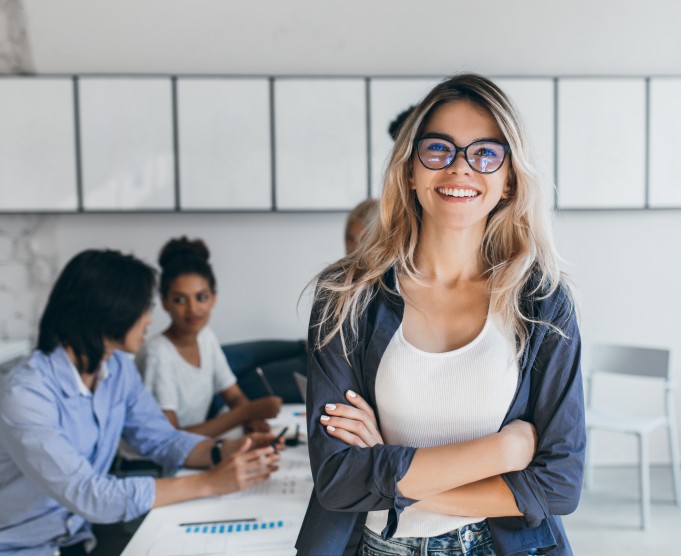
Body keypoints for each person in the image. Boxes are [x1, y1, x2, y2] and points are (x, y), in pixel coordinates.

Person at [298, 74, 584, 555]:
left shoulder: (542, 302)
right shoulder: (347, 296)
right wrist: (504, 451)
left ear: (509, 179)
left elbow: (560, 483)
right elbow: (338, 481)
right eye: (439, 150)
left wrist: (387, 471)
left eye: (486, 153)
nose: (460, 169)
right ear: (410, 169)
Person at [0, 249, 281, 556]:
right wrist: (211, 482)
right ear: (108, 311)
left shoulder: (117, 367)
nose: (149, 318)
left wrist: (224, 451)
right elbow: (90, 495)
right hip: (19, 546)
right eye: (143, 307)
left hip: (77, 538)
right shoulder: (26, 393)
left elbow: (160, 438)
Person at [137, 237, 283, 437]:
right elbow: (169, 439)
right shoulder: (157, 354)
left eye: (201, 297)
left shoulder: (206, 338)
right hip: (157, 464)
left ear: (214, 298)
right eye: (180, 300)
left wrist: (252, 420)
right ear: (164, 302)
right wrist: (247, 412)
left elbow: (233, 396)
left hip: (193, 450)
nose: (193, 309)